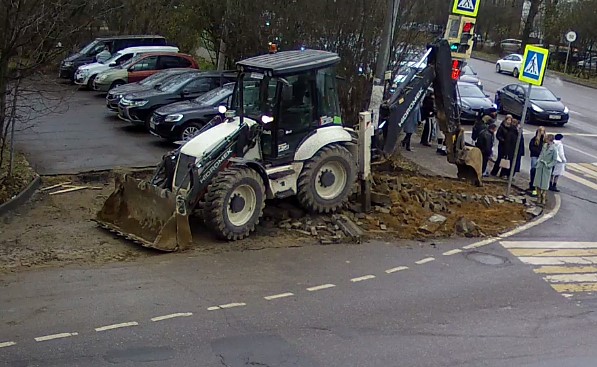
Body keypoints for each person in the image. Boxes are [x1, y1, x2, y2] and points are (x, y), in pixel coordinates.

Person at [533, 134, 557, 205]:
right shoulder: (544, 146)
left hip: (546, 168)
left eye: (546, 139)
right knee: (537, 183)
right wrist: (538, 161)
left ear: (550, 140)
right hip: (540, 166)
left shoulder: (554, 149)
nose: (545, 140)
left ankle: (543, 197)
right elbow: (541, 154)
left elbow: (554, 160)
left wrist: (548, 165)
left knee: (544, 184)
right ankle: (538, 196)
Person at [528, 126, 546, 194]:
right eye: (541, 131)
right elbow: (531, 147)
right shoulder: (534, 139)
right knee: (533, 169)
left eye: (543, 131)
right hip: (535, 156)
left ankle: (537, 186)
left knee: (539, 172)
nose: (542, 133)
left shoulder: (544, 140)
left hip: (541, 158)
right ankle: (532, 184)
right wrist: (538, 152)